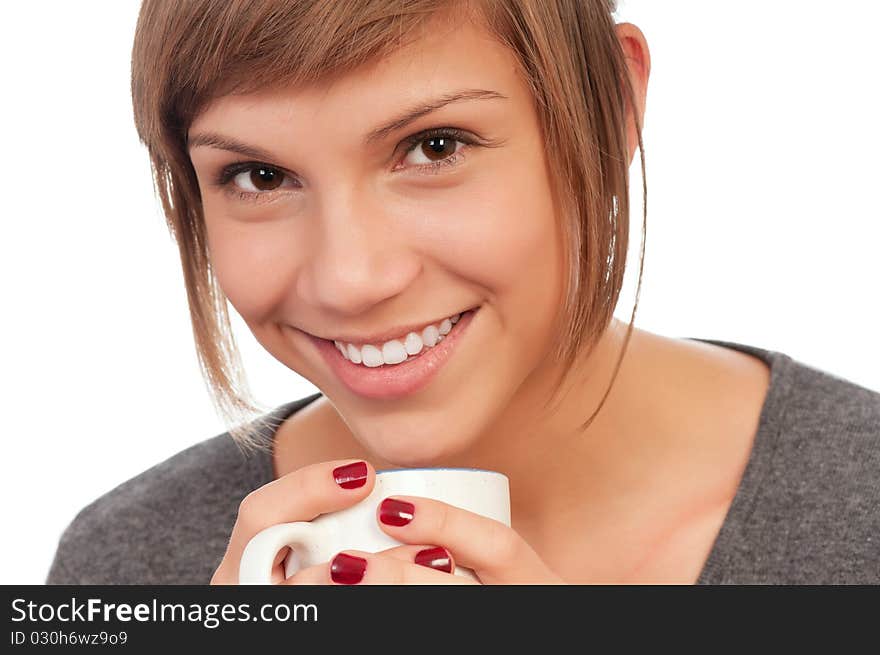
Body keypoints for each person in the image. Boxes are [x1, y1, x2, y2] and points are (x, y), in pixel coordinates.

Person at [46, 0, 878, 585]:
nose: (351, 279)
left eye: (434, 146)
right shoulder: (126, 563)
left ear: (611, 104)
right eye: (258, 175)